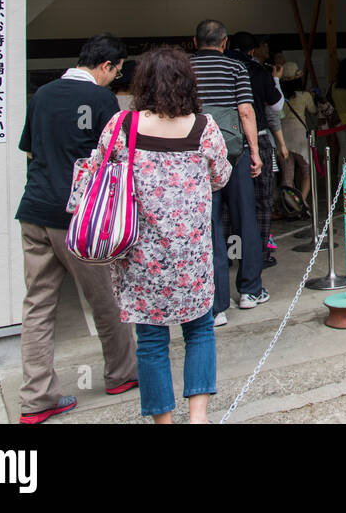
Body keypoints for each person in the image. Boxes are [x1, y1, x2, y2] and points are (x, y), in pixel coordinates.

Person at [74, 46, 233, 423]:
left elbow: (95, 171)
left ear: (143, 84)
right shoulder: (203, 127)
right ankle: (198, 417)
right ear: (187, 84)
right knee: (199, 330)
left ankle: (163, 421)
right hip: (190, 254)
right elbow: (220, 177)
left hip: (140, 256)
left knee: (151, 343)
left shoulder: (122, 125)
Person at [14, 33, 138, 424]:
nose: (115, 80)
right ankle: (121, 374)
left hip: (34, 212)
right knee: (106, 299)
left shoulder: (43, 95)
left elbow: (32, 150)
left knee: (37, 306)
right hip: (79, 220)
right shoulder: (103, 101)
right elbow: (119, 157)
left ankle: (37, 398)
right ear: (106, 66)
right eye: (116, 73)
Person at [188, 20, 266, 324]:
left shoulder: (185, 70)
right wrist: (255, 153)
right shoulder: (236, 68)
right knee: (245, 219)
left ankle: (217, 305)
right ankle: (250, 291)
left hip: (197, 158)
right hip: (233, 155)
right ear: (224, 42)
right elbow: (245, 110)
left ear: (195, 42)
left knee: (208, 228)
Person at [227, 32, 285, 269]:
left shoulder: (222, 70)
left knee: (227, 202)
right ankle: (260, 253)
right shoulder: (258, 72)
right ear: (252, 51)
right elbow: (277, 105)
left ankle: (232, 253)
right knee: (262, 199)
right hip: (257, 139)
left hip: (226, 140)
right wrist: (276, 80)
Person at [278, 61, 315, 201]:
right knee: (306, 173)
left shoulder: (278, 97)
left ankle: (288, 206)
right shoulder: (304, 96)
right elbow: (313, 111)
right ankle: (301, 203)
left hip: (283, 137)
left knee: (287, 176)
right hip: (300, 137)